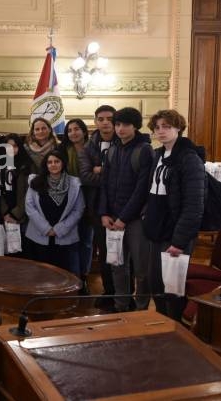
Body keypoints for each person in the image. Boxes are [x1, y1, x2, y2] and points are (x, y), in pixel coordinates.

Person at [144, 110, 205, 321]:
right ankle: (163, 325)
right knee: (155, 284)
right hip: (157, 230)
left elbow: (194, 205)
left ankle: (176, 331)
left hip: (176, 233)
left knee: (173, 290)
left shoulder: (190, 158)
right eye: (157, 127)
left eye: (167, 127)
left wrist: (179, 241)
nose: (161, 131)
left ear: (178, 128)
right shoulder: (158, 154)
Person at [99, 107, 153, 312]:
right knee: (117, 265)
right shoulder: (112, 149)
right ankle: (121, 307)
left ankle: (140, 310)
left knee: (141, 269)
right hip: (112, 218)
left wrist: (124, 217)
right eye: (118, 124)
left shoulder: (144, 149)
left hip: (136, 219)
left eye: (126, 125)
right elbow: (104, 183)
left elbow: (142, 190)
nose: (120, 129)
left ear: (135, 126)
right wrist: (104, 213)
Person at [78, 105, 117, 308]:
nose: (105, 122)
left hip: (122, 208)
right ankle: (108, 291)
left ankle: (124, 293)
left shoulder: (125, 143)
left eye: (109, 118)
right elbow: (85, 177)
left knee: (123, 253)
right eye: (100, 119)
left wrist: (102, 170)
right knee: (104, 251)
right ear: (95, 122)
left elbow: (129, 176)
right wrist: (111, 175)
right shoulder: (89, 147)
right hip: (97, 208)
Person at [25, 149, 85, 274]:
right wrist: (46, 229)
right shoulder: (35, 181)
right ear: (45, 165)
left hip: (64, 236)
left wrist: (59, 230)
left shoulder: (74, 183)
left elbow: (78, 210)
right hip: (39, 235)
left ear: (63, 163)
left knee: (62, 273)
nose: (53, 165)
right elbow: (30, 207)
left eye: (56, 161)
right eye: (50, 162)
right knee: (40, 273)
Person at [59, 118, 93, 294]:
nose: (73, 133)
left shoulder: (94, 148)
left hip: (91, 201)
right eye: (70, 130)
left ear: (84, 131)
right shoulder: (63, 150)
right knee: (71, 241)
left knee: (86, 241)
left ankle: (84, 276)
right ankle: (73, 278)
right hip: (69, 202)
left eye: (77, 129)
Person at [0, 133, 32, 255]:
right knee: (5, 251)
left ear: (19, 147)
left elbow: (29, 193)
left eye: (15, 146)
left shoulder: (27, 165)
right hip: (3, 215)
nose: (11, 149)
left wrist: (16, 214)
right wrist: (5, 212)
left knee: (22, 252)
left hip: (22, 216)